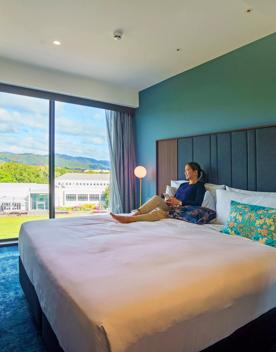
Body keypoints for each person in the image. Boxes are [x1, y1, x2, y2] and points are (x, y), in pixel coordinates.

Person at [111, 162, 206, 223]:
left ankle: (130, 219)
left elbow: (198, 203)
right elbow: (175, 197)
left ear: (195, 172)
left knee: (159, 213)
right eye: (185, 170)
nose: (185, 172)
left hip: (182, 211)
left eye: (187, 170)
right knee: (157, 198)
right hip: (172, 207)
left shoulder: (200, 186)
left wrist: (180, 203)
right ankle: (135, 214)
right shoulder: (183, 185)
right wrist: (169, 200)